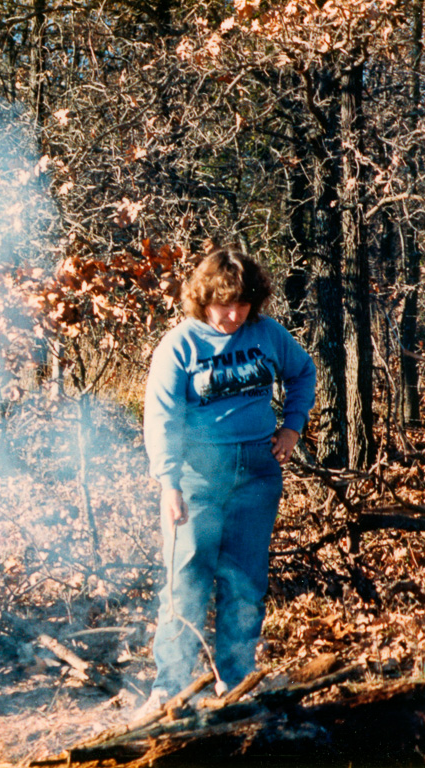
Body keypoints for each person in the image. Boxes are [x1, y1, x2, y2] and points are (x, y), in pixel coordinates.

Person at [140, 246, 316, 709]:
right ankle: (170, 685)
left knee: (244, 580)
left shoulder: (267, 334)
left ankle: (235, 678)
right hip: (198, 479)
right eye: (223, 304)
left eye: (242, 304)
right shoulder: (180, 344)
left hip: (257, 474)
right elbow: (160, 417)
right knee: (187, 579)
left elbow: (303, 372)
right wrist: (169, 483)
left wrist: (292, 428)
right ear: (203, 299)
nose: (233, 315)